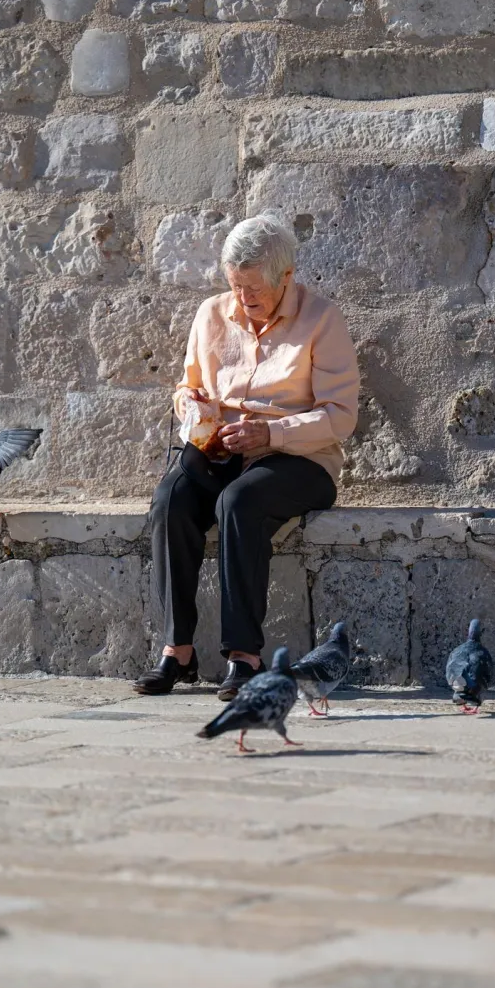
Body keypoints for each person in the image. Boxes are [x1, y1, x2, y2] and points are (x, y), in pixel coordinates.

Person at [133, 213, 360, 701]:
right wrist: (189, 405)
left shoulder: (322, 320)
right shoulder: (210, 314)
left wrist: (272, 433)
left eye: (253, 289)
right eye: (235, 287)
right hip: (220, 450)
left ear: (286, 276)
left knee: (240, 501)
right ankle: (178, 650)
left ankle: (245, 656)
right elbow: (186, 387)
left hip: (302, 459)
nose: (243, 300)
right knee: (170, 498)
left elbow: (341, 417)